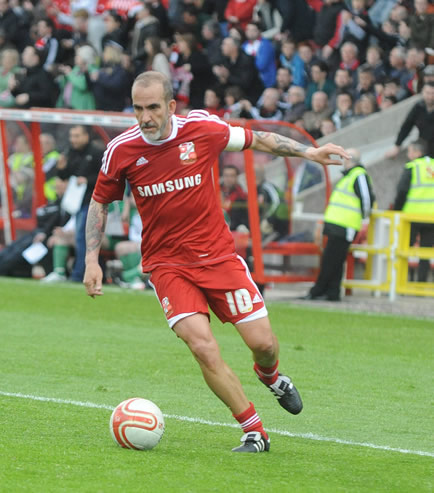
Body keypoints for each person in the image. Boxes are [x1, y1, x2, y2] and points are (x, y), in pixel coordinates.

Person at [83, 71, 350, 454]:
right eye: (139, 108)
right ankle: (253, 430)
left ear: (171, 106)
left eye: (153, 107)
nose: (145, 117)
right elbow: (99, 202)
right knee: (202, 347)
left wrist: (308, 152)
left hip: (219, 257)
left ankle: (270, 376)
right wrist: (91, 259)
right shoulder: (121, 151)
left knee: (264, 344)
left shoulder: (203, 129)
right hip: (167, 265)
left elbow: (258, 139)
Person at [301, 148, 375, 301]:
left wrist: (364, 217)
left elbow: (366, 199)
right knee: (334, 259)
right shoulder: (350, 176)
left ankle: (318, 291)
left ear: (349, 159)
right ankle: (332, 292)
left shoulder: (358, 174)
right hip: (338, 224)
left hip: (345, 224)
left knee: (331, 259)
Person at [44, 124, 102, 283]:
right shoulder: (70, 152)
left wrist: (87, 181)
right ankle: (75, 273)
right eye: (71, 136)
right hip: (75, 202)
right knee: (79, 237)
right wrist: (61, 168)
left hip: (93, 202)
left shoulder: (97, 152)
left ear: (86, 136)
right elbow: (64, 176)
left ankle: (79, 275)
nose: (73, 140)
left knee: (82, 238)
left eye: (77, 136)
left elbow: (106, 176)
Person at [393, 139, 434, 282]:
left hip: (411, 216)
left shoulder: (412, 166)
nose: (408, 155)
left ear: (418, 152)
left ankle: (400, 281)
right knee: (426, 252)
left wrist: (396, 211)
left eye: (410, 151)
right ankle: (421, 283)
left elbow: (402, 191)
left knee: (403, 249)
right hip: (431, 218)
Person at [385, 82, 434, 159]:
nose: (430, 96)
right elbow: (407, 126)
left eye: (433, 93)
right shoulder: (418, 107)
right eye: (428, 93)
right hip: (425, 148)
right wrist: (397, 145)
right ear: (422, 92)